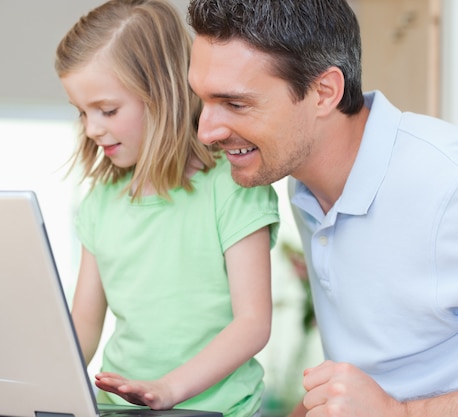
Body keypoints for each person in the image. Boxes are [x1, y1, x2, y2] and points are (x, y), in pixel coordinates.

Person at [185, 0, 458, 416]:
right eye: (202, 100)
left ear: (324, 92)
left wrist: (400, 413)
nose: (206, 132)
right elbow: (364, 381)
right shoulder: (304, 183)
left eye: (236, 104)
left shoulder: (445, 182)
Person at [54, 1, 280, 416]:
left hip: (219, 412)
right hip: (120, 409)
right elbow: (84, 324)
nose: (91, 128)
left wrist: (168, 388)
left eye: (107, 110)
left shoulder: (232, 188)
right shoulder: (100, 204)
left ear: (163, 95)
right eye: (82, 112)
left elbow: (252, 325)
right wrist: (43, 387)